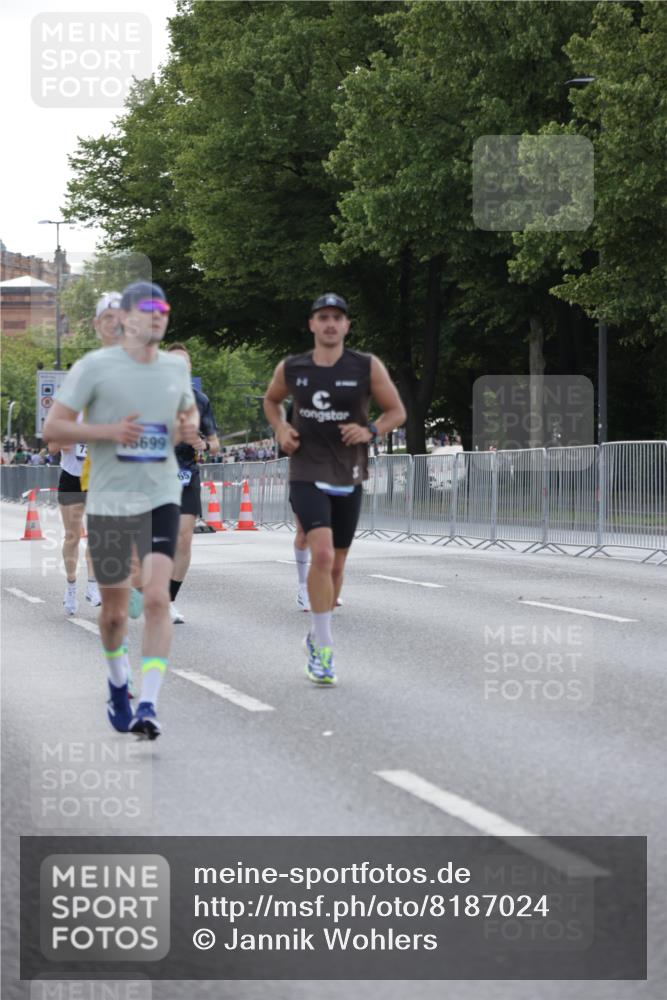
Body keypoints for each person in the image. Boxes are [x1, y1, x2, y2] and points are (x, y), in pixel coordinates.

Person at [44, 281, 199, 739]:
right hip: (111, 498)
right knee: (113, 613)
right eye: (145, 309)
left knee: (155, 599)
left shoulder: (174, 369)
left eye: (161, 308)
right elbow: (54, 426)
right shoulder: (94, 367)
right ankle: (118, 683)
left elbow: (184, 421)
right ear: (127, 318)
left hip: (160, 494)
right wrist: (110, 430)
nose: (155, 316)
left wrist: (186, 430)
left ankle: (148, 703)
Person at [263, 292, 406, 685]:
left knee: (338, 565)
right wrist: (280, 428)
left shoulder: (365, 366)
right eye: (322, 317)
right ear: (312, 324)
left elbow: (397, 411)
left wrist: (371, 429)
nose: (329, 324)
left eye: (337, 318)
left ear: (346, 325)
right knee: (321, 554)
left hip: (349, 472)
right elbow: (272, 401)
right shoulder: (293, 367)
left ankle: (314, 634)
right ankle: (324, 649)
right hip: (306, 469)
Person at [49, 292, 124, 615]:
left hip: (99, 475)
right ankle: (70, 586)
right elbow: (52, 443)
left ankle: (93, 586)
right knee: (70, 536)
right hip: (71, 475)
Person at [165, 343, 220, 623]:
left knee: (184, 538)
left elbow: (214, 444)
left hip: (187, 473)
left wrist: (203, 443)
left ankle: (168, 600)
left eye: (184, 365)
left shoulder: (201, 400)